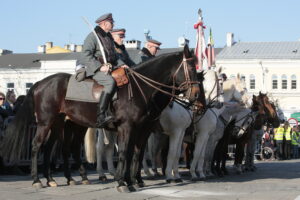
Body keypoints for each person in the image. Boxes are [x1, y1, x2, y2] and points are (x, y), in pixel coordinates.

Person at [77, 13, 128, 128]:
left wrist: (123, 65)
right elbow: (85, 55)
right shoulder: (92, 37)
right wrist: (99, 67)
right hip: (95, 69)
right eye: (111, 22)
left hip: (110, 67)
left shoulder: (108, 37)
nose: (113, 24)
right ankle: (101, 115)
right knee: (110, 82)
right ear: (105, 23)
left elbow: (115, 57)